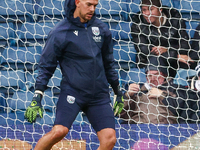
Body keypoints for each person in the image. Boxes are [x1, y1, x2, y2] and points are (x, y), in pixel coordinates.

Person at [24, 0, 124, 149]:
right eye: (89, 4)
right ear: (77, 2)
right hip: (73, 92)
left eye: (95, 6)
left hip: (99, 95)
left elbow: (109, 63)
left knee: (109, 139)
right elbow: (46, 66)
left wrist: (117, 91)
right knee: (59, 131)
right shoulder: (60, 32)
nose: (92, 9)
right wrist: (38, 95)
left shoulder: (102, 29)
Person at [120, 57, 200, 124]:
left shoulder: (176, 89)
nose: (152, 78)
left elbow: (183, 110)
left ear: (164, 75)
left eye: (156, 74)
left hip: (164, 131)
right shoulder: (138, 93)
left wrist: (162, 95)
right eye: (149, 75)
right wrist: (127, 95)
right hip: (138, 130)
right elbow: (117, 113)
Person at [131, 0, 193, 77]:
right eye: (144, 10)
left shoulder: (175, 19)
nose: (147, 14)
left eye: (151, 9)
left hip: (173, 63)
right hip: (150, 63)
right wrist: (175, 56)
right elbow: (144, 51)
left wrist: (166, 50)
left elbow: (184, 46)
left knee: (187, 63)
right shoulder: (138, 23)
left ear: (160, 9)